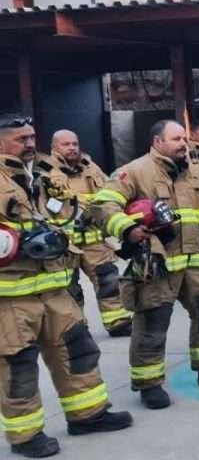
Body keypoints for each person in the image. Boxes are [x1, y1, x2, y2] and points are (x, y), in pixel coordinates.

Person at [0, 115, 132, 457]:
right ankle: (26, 436)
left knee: (77, 351)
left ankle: (88, 415)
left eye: (31, 137)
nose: (29, 144)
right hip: (12, 295)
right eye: (20, 139)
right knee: (19, 366)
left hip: (57, 286)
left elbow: (71, 214)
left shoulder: (43, 175)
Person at [92, 120, 199, 410]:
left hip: (198, 262)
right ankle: (149, 385)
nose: (183, 144)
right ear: (156, 141)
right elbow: (103, 204)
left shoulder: (195, 171)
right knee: (152, 324)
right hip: (157, 264)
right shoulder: (135, 171)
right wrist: (127, 229)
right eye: (176, 139)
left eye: (184, 139)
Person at [44, 130, 132, 337]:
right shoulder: (45, 172)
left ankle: (117, 320)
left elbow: (108, 192)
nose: (72, 148)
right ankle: (76, 326)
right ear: (54, 147)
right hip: (65, 244)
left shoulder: (91, 168)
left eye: (75, 143)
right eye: (66, 144)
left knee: (109, 281)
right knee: (69, 289)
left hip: (95, 240)